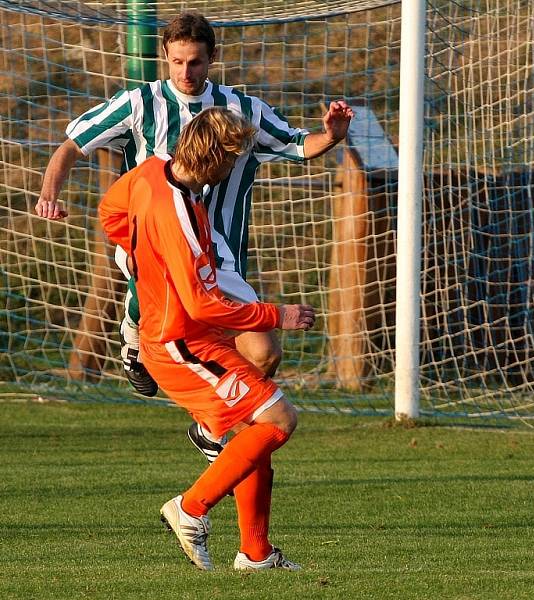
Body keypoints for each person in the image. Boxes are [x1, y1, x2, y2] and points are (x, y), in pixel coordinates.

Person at [35, 12, 352, 458]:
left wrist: (332, 136)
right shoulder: (138, 103)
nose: (186, 73)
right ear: (164, 55)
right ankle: (136, 331)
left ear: (212, 59)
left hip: (220, 258)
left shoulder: (242, 110)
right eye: (178, 62)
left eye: (196, 63)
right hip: (159, 246)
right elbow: (71, 146)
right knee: (155, 296)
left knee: (265, 356)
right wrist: (49, 195)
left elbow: (299, 146)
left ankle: (210, 427)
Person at [99, 106, 312, 571]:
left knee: (249, 436)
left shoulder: (150, 171)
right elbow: (200, 304)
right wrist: (279, 314)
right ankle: (190, 508)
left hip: (192, 337)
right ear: (212, 155)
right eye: (231, 159)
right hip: (180, 343)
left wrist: (137, 255)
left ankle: (255, 554)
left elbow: (110, 211)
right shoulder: (177, 218)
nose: (233, 167)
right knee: (279, 420)